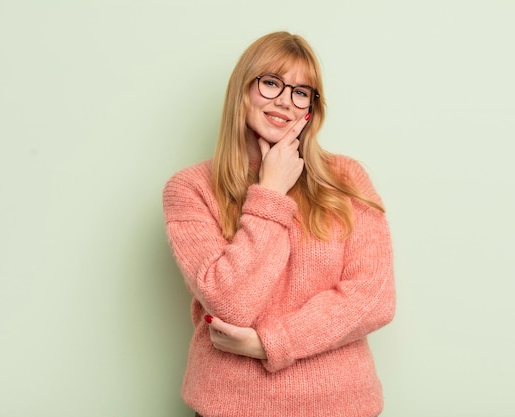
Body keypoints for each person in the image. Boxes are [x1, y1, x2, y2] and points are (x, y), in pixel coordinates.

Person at [163, 31, 395, 417]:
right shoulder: (190, 189)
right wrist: (271, 191)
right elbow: (231, 305)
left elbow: (372, 298)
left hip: (341, 406)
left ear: (310, 108)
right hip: (230, 406)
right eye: (271, 83)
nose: (285, 100)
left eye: (301, 91)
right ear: (243, 90)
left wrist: (269, 343)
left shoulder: (346, 178)